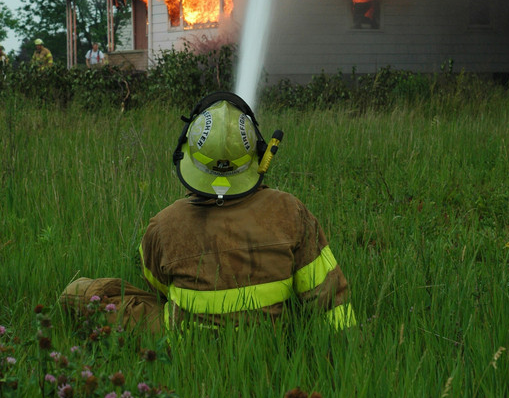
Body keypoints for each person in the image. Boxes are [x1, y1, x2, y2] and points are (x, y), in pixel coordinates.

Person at [61, 91, 355, 335]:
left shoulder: (164, 225)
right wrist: (345, 351)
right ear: (260, 154)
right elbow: (328, 295)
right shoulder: (289, 210)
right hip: (271, 343)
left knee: (78, 294)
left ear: (185, 153)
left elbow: (158, 284)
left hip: (183, 342)